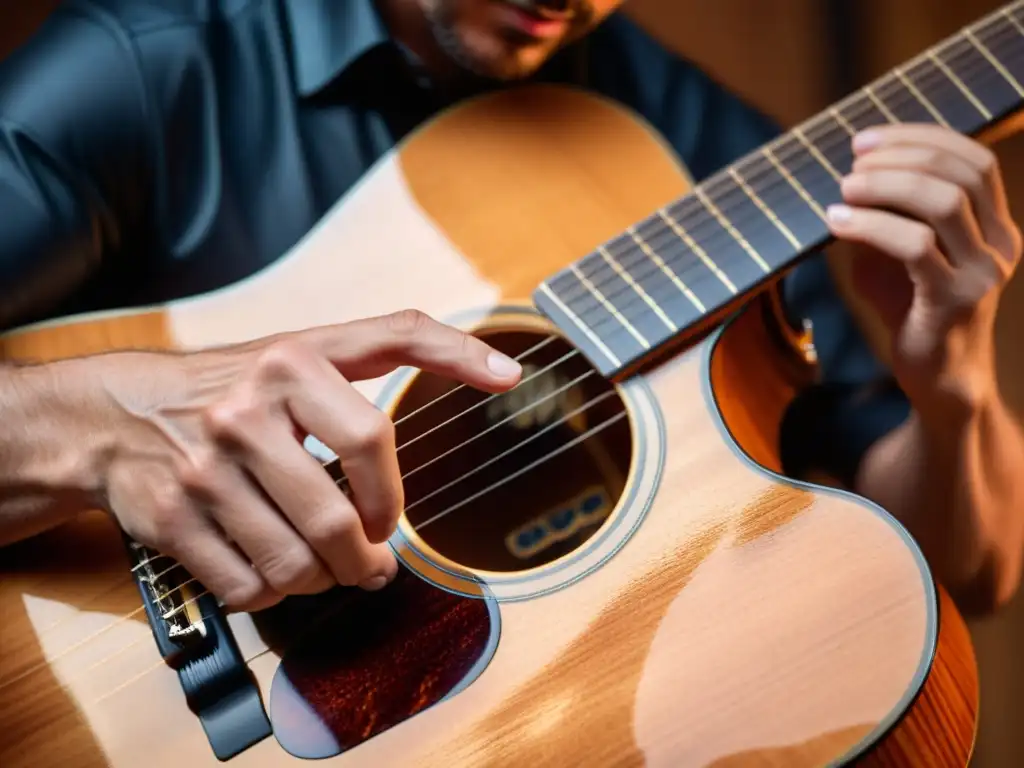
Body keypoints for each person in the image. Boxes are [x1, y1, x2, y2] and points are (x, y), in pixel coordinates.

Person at [0, 0, 1021, 616]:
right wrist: (102, 428)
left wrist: (955, 381)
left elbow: (970, 578)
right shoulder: (151, 61)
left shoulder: (700, 145)